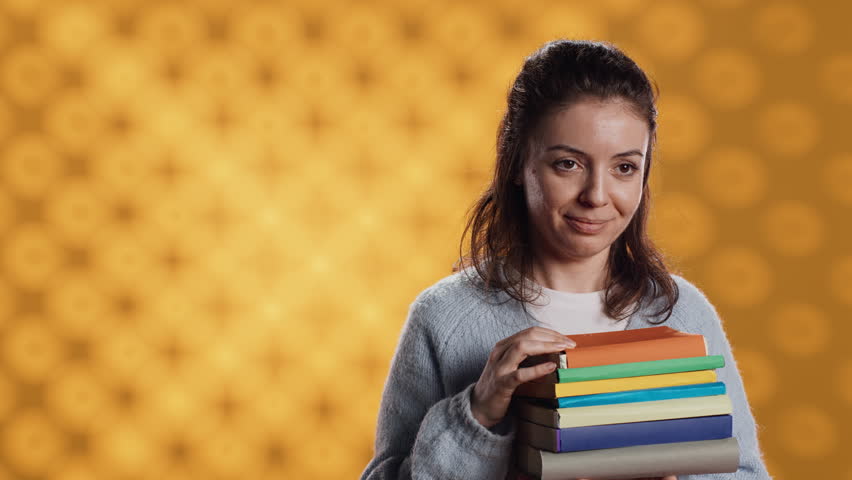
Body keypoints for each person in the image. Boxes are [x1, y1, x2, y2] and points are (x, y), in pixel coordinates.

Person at [361, 39, 772, 480]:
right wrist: (476, 413)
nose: (596, 195)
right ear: (519, 163)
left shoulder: (683, 312)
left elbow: (743, 471)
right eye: (568, 164)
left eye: (625, 168)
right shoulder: (444, 319)